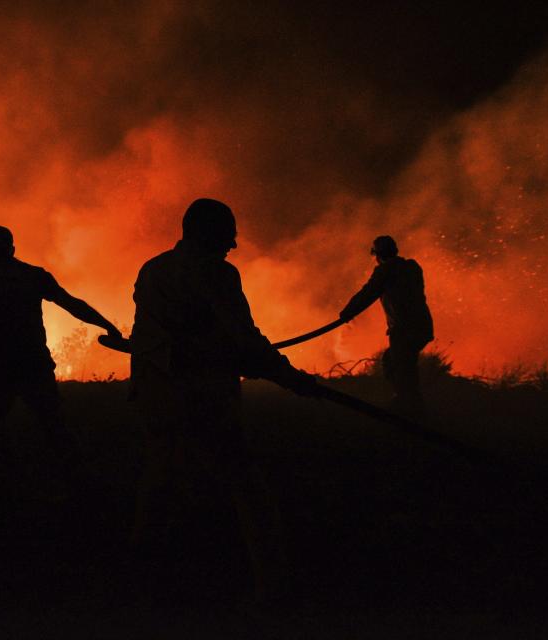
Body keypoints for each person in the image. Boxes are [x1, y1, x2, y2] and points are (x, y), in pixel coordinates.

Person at [129, 198, 320, 601]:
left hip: (155, 394)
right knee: (246, 483)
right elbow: (242, 337)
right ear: (207, 232)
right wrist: (289, 377)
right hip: (202, 396)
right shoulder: (215, 273)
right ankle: (274, 586)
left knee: (161, 477)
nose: (233, 243)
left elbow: (153, 336)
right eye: (227, 232)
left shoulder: (153, 269)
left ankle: (140, 575)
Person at [0, 225, 120, 489]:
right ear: (12, 250)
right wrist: (106, 324)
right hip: (31, 363)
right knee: (52, 425)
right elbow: (72, 304)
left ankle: (7, 485)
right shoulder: (31, 275)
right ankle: (73, 483)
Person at [339, 235, 434, 416]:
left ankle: (410, 408)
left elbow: (368, 293)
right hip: (422, 326)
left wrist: (347, 313)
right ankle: (409, 404)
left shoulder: (386, 271)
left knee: (400, 367)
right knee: (398, 363)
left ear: (377, 255)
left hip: (404, 329)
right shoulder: (412, 268)